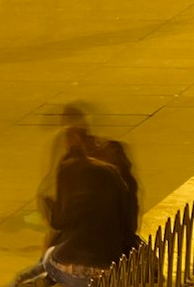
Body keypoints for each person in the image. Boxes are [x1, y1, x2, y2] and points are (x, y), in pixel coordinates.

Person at [37, 111, 143, 286]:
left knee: (49, 256)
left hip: (77, 267)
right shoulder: (116, 170)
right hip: (111, 264)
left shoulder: (70, 168)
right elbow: (130, 223)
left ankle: (52, 280)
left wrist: (48, 205)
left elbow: (59, 221)